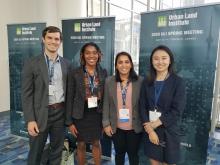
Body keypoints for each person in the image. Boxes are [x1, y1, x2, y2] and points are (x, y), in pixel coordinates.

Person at [21, 26, 71, 165]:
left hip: (60, 113)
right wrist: (30, 120)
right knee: (36, 152)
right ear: (43, 39)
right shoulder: (31, 63)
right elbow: (26, 94)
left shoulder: (67, 64)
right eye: (50, 38)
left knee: (56, 150)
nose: (53, 41)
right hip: (39, 115)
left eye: (56, 39)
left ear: (60, 41)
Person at [139, 45, 186, 165]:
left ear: (170, 60)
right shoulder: (146, 81)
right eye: (156, 58)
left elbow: (177, 110)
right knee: (154, 162)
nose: (160, 62)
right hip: (150, 130)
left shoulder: (178, 82)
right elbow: (142, 106)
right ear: (152, 61)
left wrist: (153, 125)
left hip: (169, 131)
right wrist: (150, 130)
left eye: (164, 58)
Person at [65, 42, 107, 165]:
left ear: (98, 55)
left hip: (97, 113)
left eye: (94, 53)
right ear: (83, 55)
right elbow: (69, 97)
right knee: (81, 144)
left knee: (96, 143)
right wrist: (69, 122)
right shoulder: (75, 73)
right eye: (87, 53)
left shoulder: (104, 72)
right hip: (80, 113)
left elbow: (107, 99)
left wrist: (106, 120)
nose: (91, 56)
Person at [102, 52, 143, 165]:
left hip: (134, 127)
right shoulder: (109, 81)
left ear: (131, 65)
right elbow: (106, 103)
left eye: (126, 62)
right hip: (117, 127)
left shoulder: (140, 81)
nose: (123, 65)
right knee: (119, 154)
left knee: (133, 155)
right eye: (120, 62)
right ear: (116, 65)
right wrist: (106, 124)